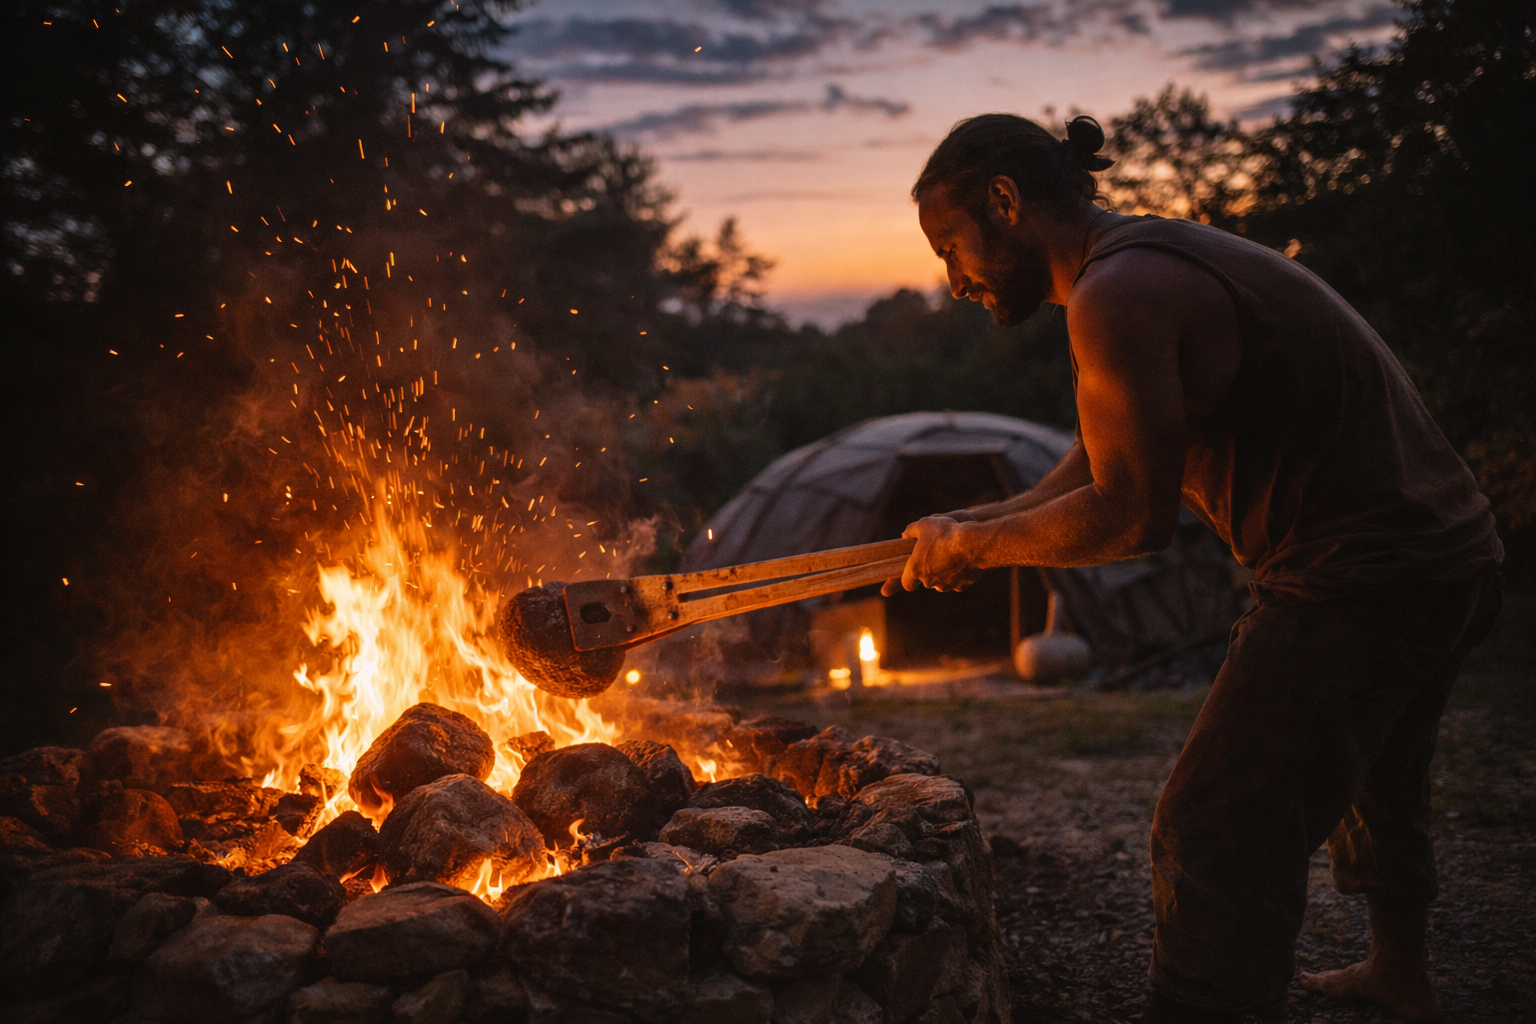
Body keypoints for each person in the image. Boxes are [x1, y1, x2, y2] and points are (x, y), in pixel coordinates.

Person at [886, 113, 1503, 1023]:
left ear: (1005, 203)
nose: (953, 281)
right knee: (1382, 772)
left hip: (1359, 577)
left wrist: (980, 548)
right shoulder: (1141, 258)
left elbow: (1132, 517)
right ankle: (1399, 974)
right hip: (1454, 556)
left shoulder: (1118, 293)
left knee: (1217, 823)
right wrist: (978, 518)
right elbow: (1105, 457)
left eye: (951, 247)